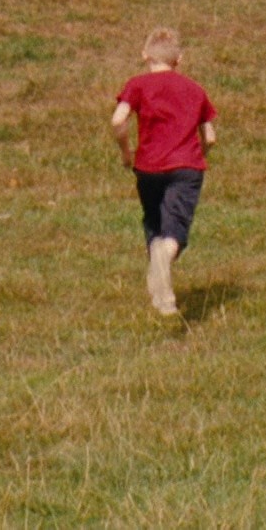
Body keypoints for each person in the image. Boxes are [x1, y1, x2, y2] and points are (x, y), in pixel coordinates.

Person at [110, 27, 217, 316]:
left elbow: (118, 120)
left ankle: (160, 291)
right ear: (179, 59)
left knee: (155, 223)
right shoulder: (195, 90)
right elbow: (210, 137)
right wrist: (199, 159)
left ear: (145, 55)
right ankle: (163, 258)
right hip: (186, 168)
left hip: (148, 168)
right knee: (175, 230)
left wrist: (125, 152)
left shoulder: (137, 85)